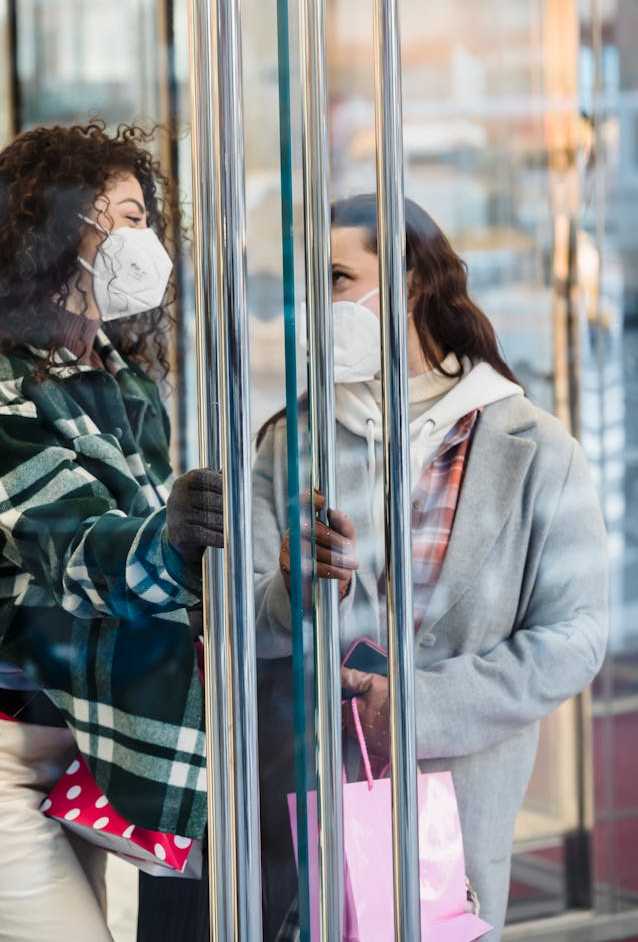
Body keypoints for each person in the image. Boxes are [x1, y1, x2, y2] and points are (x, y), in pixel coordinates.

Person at [0, 121, 222, 940]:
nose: (141, 238)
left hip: (78, 754)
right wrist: (172, 536)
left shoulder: (120, 379)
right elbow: (76, 551)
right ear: (50, 233)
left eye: (146, 216)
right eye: (120, 216)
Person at [253, 194, 609, 941]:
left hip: (463, 813)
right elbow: (243, 627)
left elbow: (577, 633)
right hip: (310, 808)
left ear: (409, 283)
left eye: (338, 277)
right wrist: (293, 592)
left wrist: (419, 709)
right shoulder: (291, 443)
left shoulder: (535, 447)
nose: (317, 303)